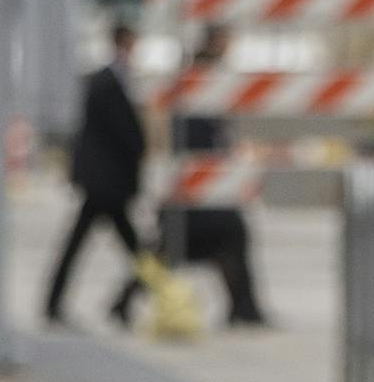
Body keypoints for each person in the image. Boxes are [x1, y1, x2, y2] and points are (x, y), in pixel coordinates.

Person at [111, 24, 268, 328]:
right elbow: (196, 135)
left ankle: (243, 307)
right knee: (201, 240)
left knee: (183, 244)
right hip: (194, 181)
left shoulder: (203, 76)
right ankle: (243, 308)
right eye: (225, 41)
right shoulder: (200, 78)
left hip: (199, 180)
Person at [44, 22, 146, 325]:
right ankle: (146, 300)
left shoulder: (113, 81)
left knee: (96, 245)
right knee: (137, 248)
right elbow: (119, 135)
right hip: (105, 183)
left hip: (106, 183)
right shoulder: (106, 82)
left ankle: (122, 302)